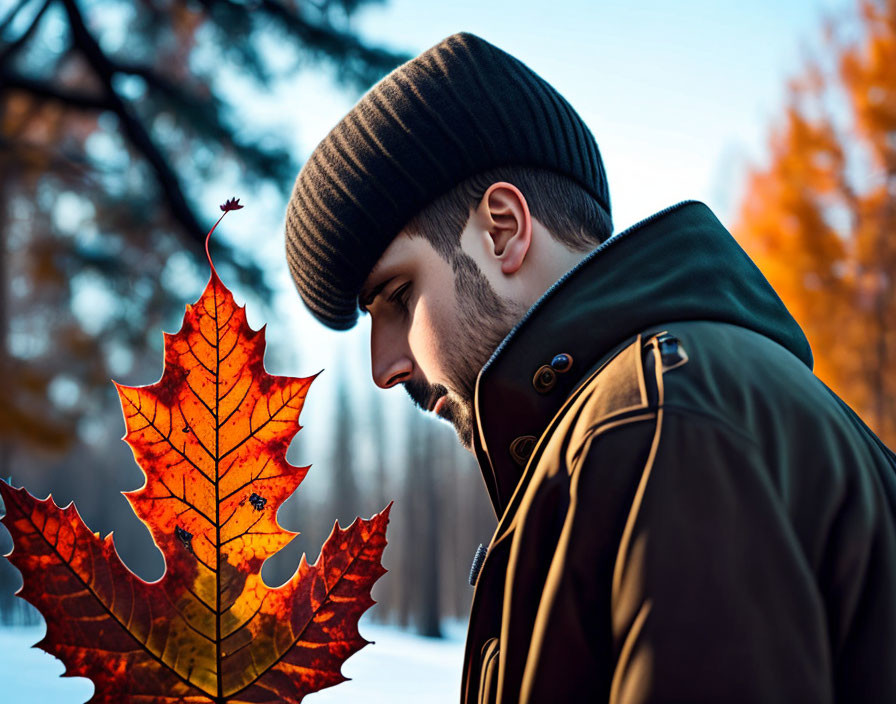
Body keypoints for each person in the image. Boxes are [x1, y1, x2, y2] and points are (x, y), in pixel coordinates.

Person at [283, 31, 896, 703]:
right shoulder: (639, 424)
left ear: (503, 230)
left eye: (398, 297)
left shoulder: (661, 424)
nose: (384, 366)